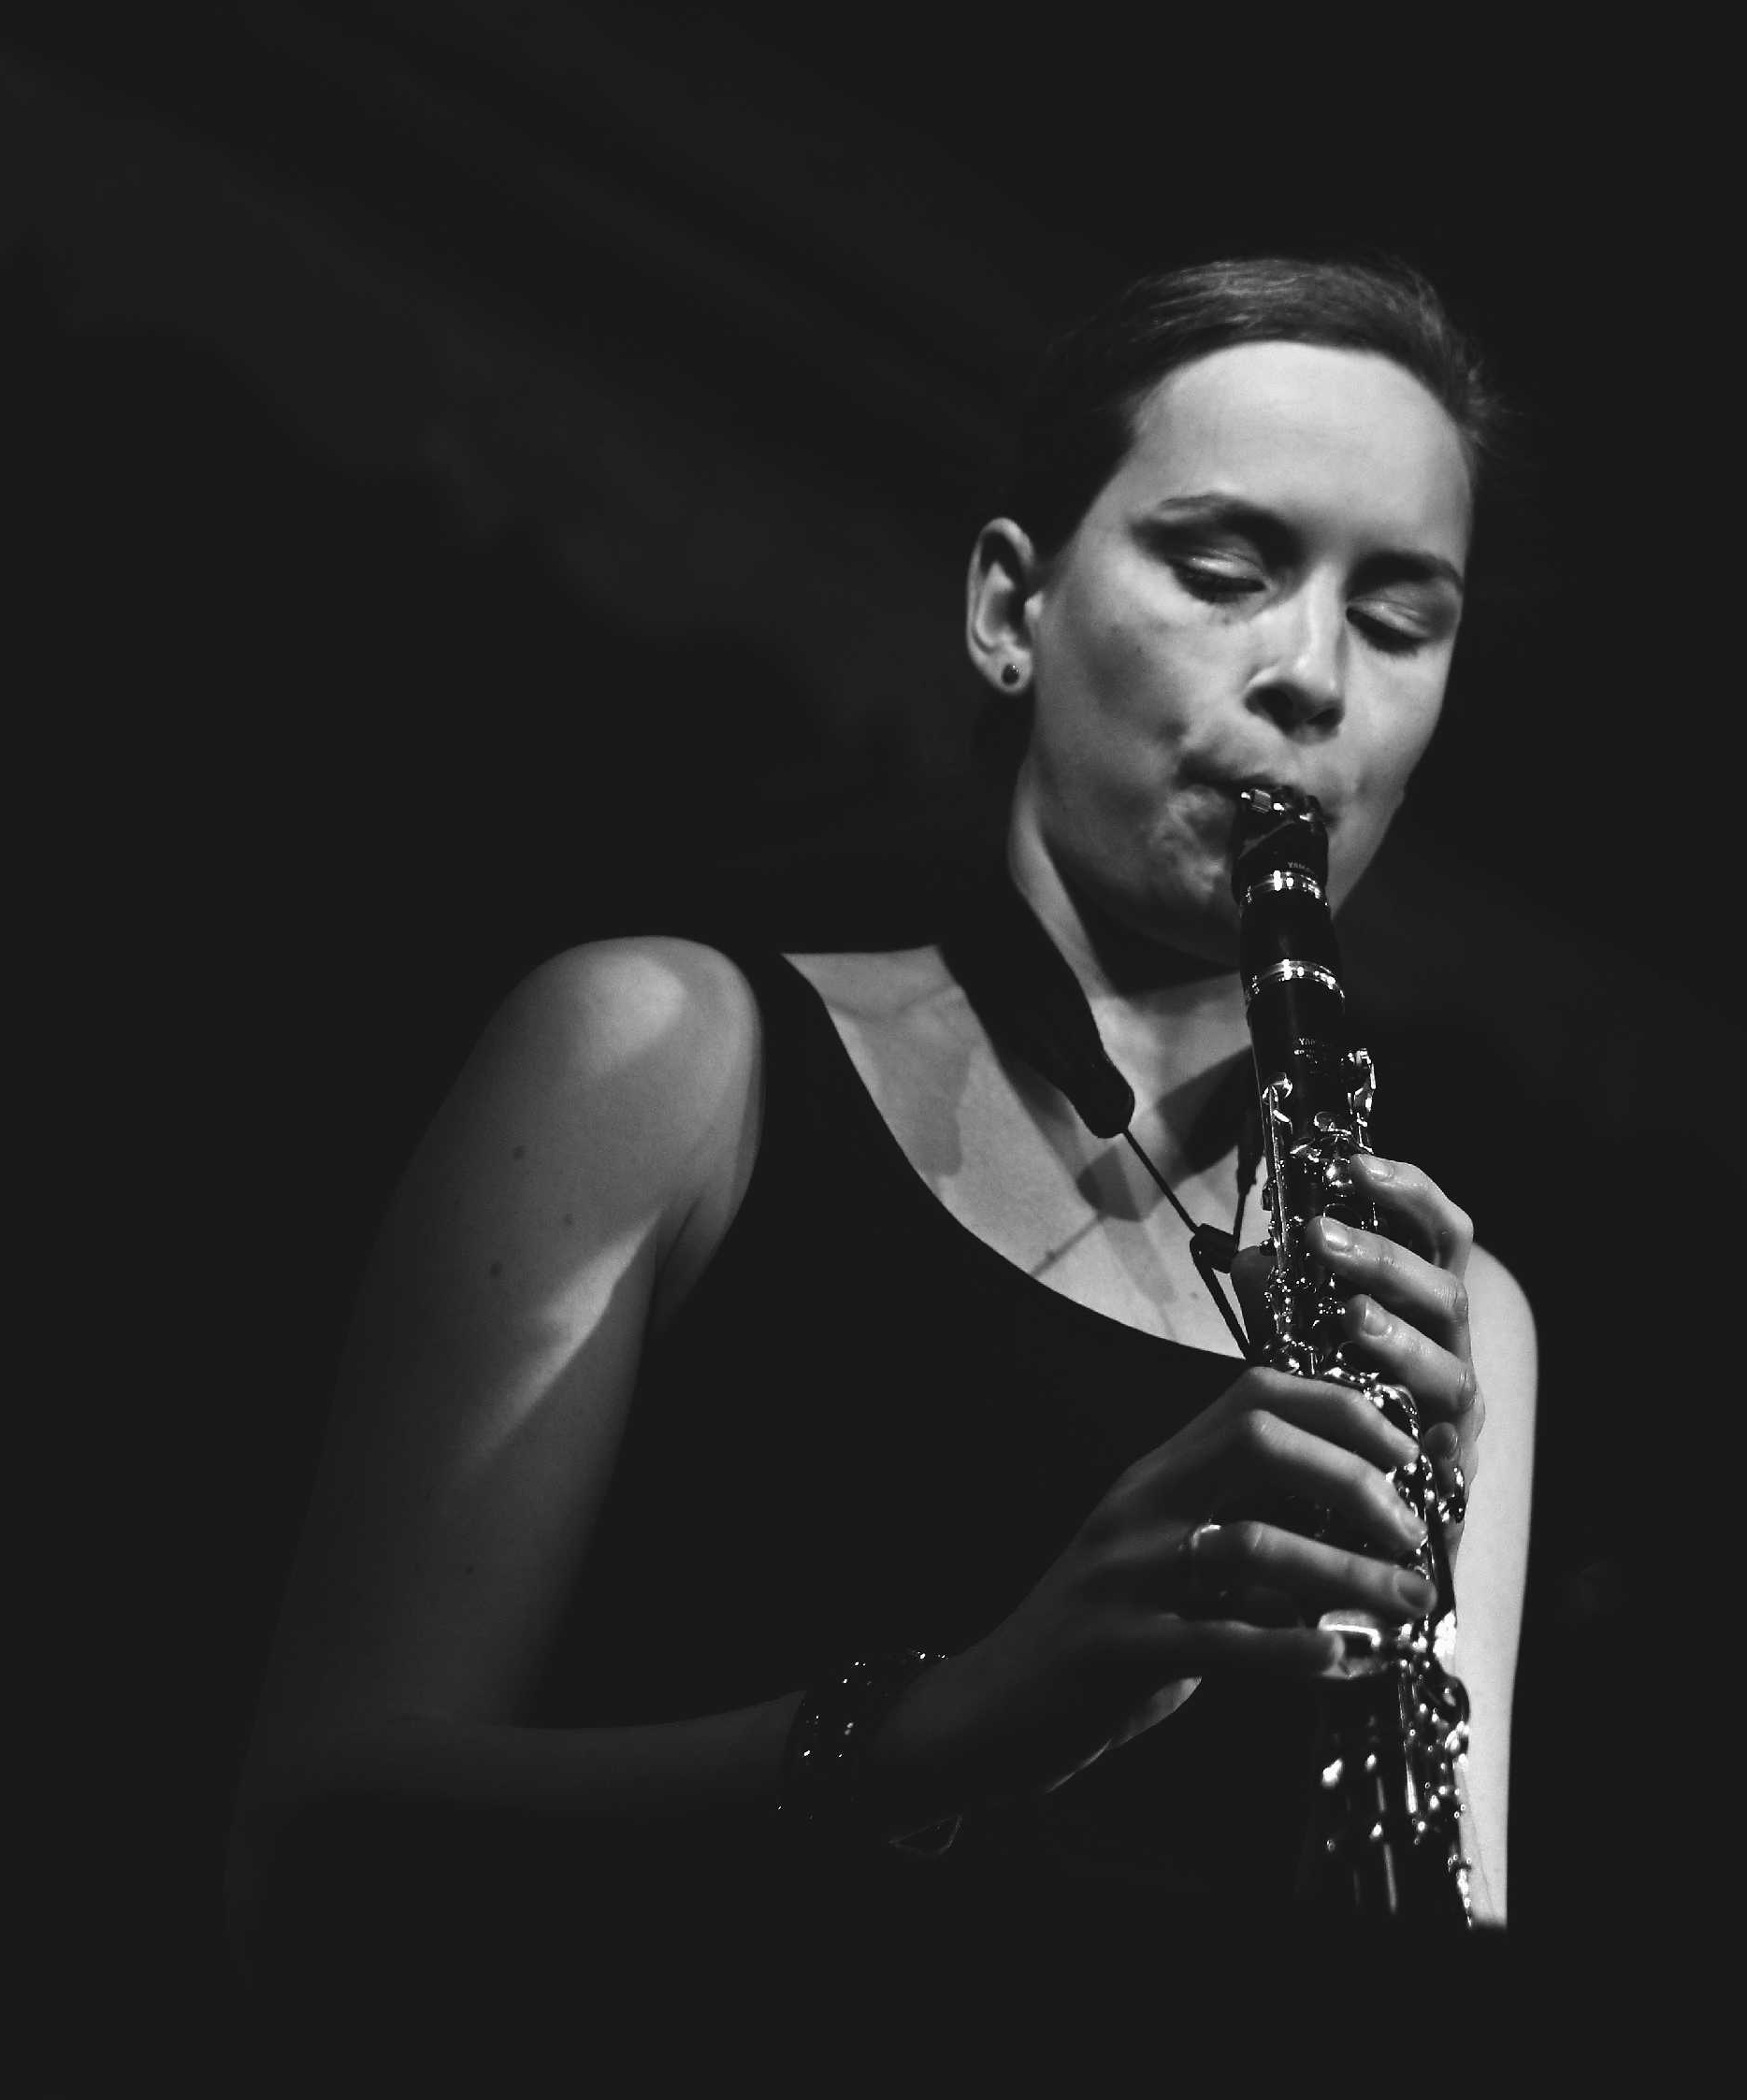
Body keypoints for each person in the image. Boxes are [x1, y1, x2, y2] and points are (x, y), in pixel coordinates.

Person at [226, 257, 1538, 2033]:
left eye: (1396, 619)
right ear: (1010, 607)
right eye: (1224, 569)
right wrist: (936, 1727)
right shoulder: (662, 1056)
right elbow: (316, 1859)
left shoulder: (1455, 1309)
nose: (1310, 676)